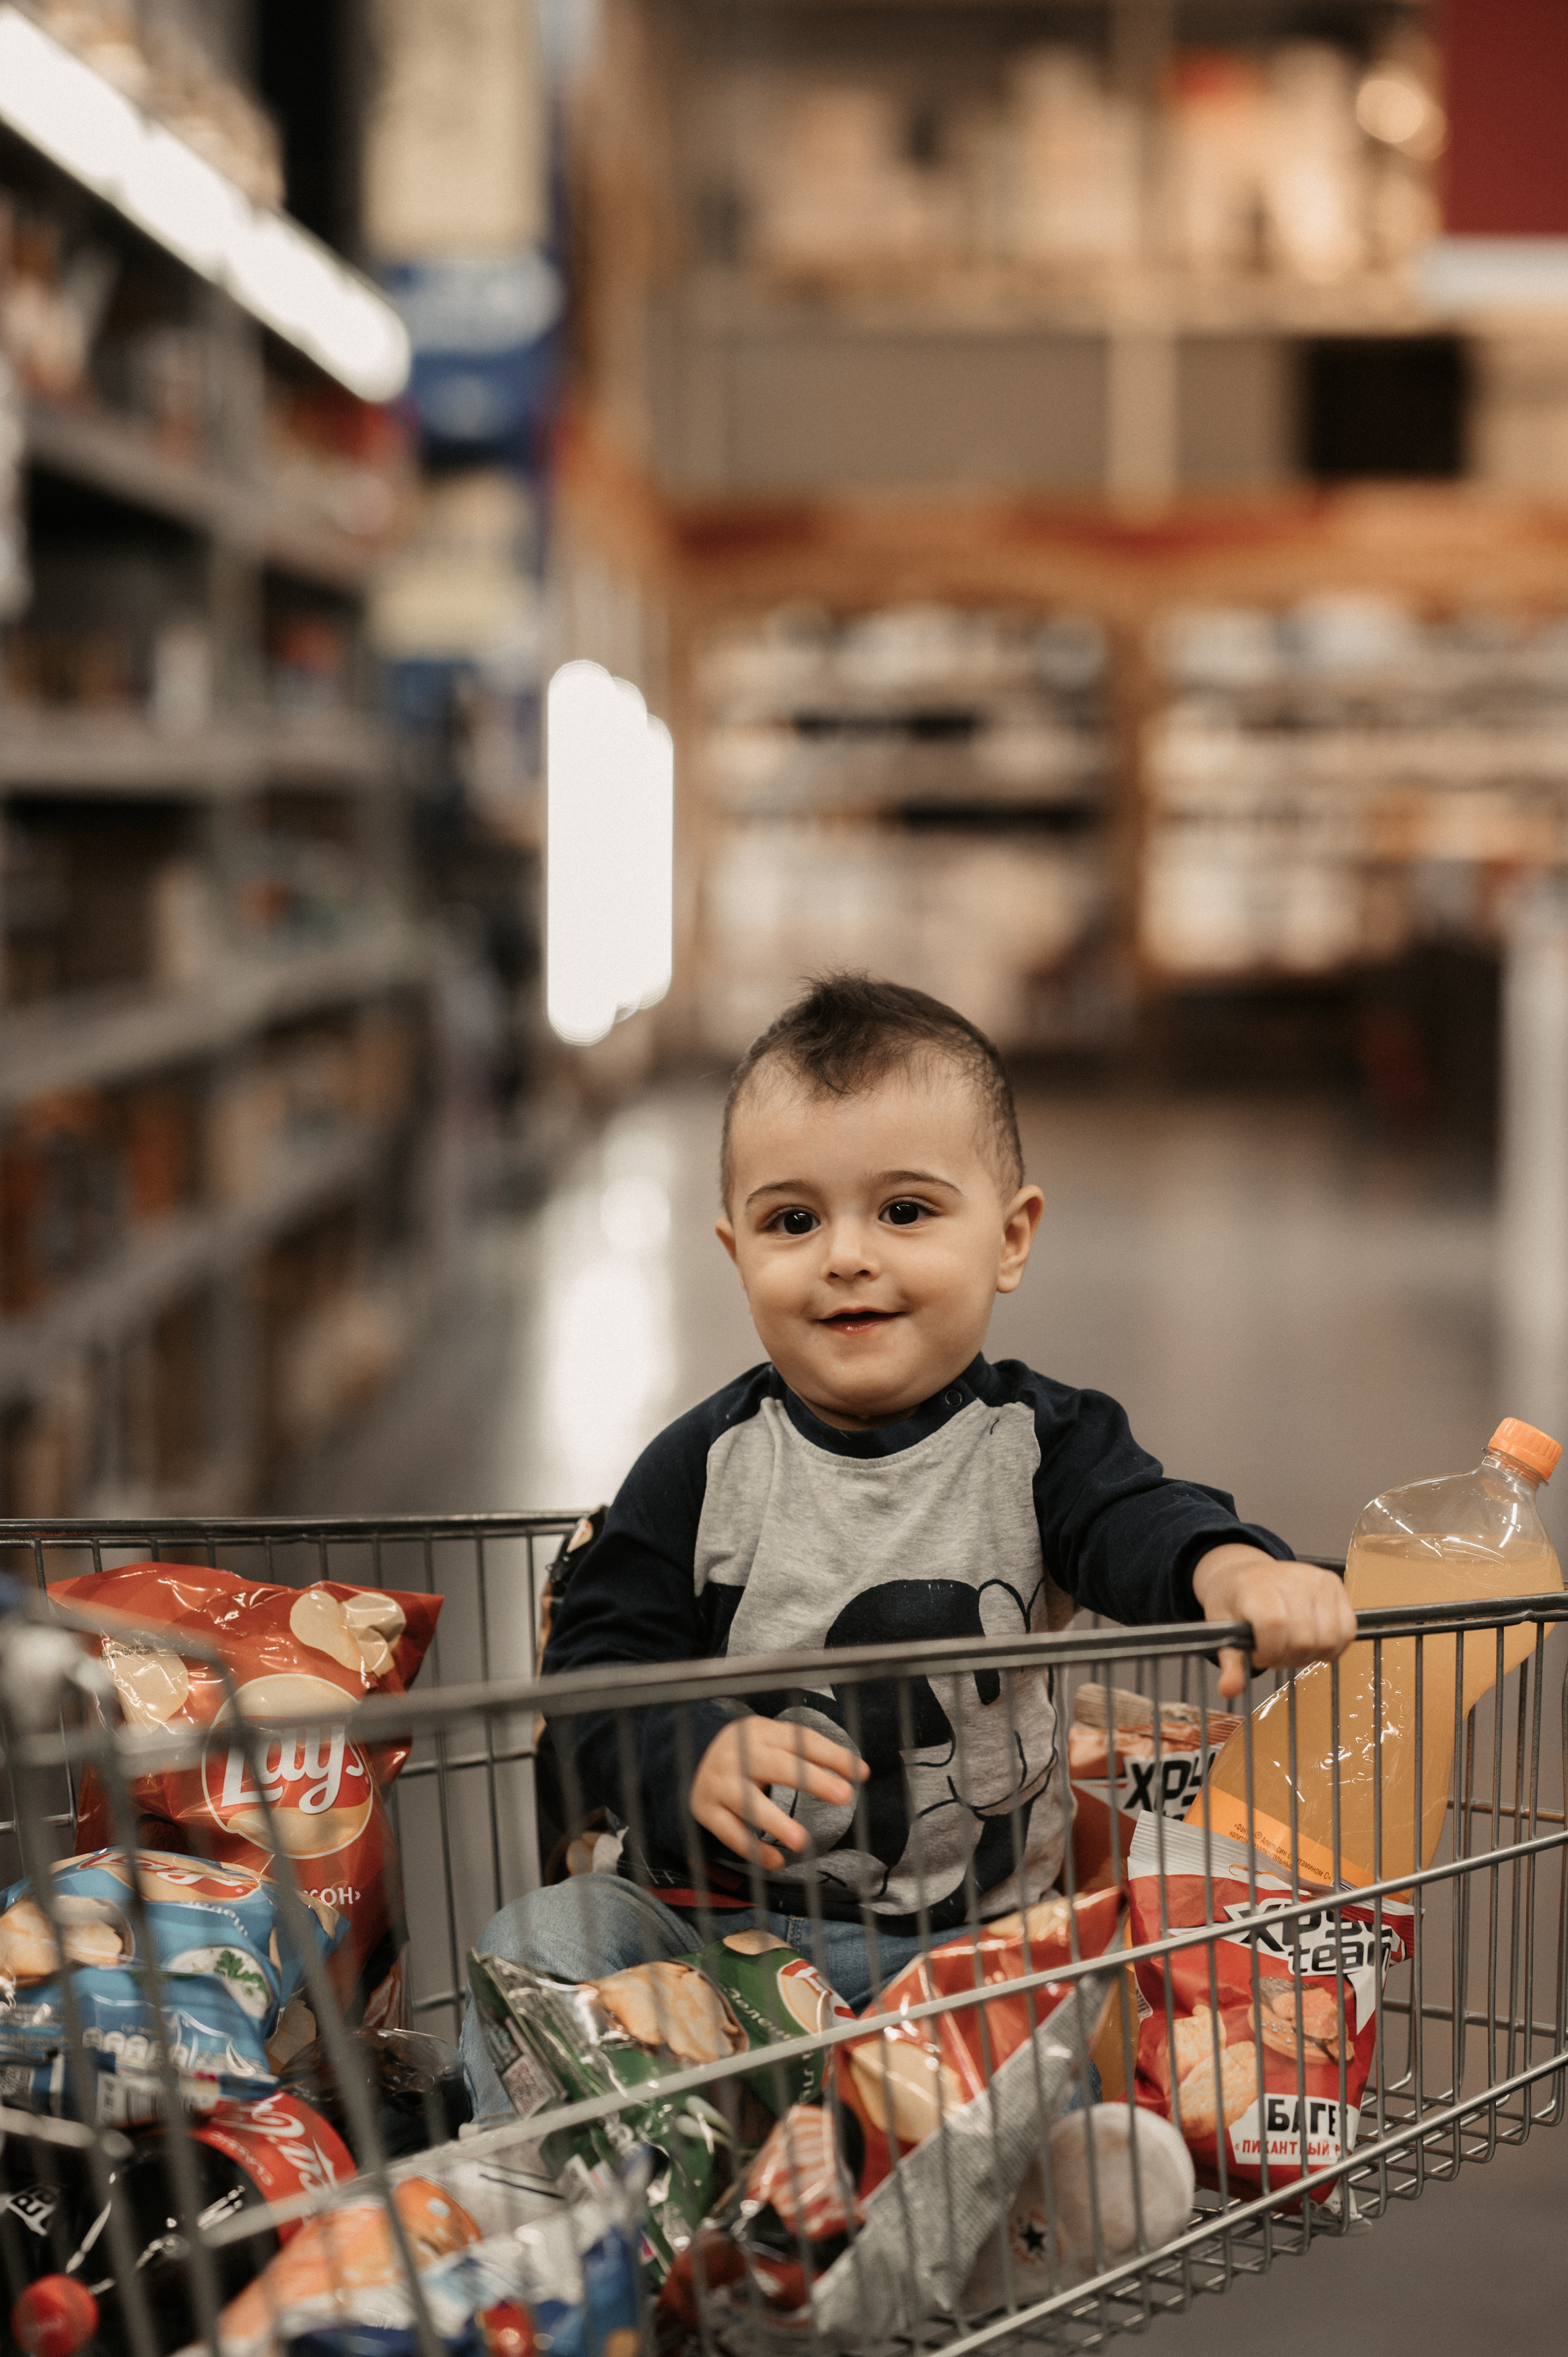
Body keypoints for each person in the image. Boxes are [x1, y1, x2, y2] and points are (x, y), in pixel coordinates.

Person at [462, 974, 1355, 2118]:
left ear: (1010, 1237)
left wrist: (1232, 1571)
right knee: (542, 1937)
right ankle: (568, 2198)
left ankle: (1005, 2182)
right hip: (713, 1956)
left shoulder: (1038, 1445)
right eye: (794, 1221)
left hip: (966, 1961)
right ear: (737, 1252)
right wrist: (690, 1751)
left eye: (904, 1212)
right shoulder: (699, 1470)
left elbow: (1140, 1520)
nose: (845, 1256)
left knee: (1068, 2008)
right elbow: (592, 1672)